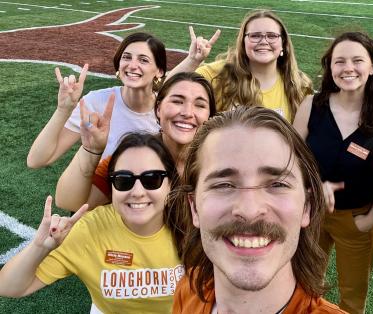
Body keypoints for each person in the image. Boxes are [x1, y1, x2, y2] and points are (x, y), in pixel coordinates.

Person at [172, 106, 346, 313]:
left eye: (277, 185)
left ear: (306, 207)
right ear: (194, 208)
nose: (250, 210)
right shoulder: (187, 291)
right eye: (224, 185)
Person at [0, 133, 186, 313]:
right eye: (123, 181)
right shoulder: (89, 230)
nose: (137, 191)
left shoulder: (194, 225)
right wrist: (39, 247)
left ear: (170, 184)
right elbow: (9, 287)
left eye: (152, 179)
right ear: (112, 187)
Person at [293, 31, 373, 314]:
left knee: (352, 295)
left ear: (372, 66)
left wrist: (372, 216)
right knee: (306, 283)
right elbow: (292, 157)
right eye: (339, 61)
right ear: (330, 67)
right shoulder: (312, 105)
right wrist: (311, 188)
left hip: (356, 218)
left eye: (357, 60)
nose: (348, 68)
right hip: (310, 213)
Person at [54, 72, 216, 212]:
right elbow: (69, 202)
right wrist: (90, 149)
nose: (187, 112)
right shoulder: (133, 153)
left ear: (209, 116)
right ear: (158, 109)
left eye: (199, 105)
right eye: (177, 101)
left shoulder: (219, 159)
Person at [27, 32, 166, 167]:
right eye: (127, 57)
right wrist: (63, 110)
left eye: (143, 60)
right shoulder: (96, 101)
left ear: (159, 71)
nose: (132, 65)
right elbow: (36, 161)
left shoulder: (168, 110)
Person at [168, 10, 312, 122]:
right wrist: (193, 60)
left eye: (271, 36)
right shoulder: (219, 74)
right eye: (255, 36)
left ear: (283, 44)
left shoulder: (299, 85)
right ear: (243, 43)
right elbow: (168, 89)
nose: (263, 41)